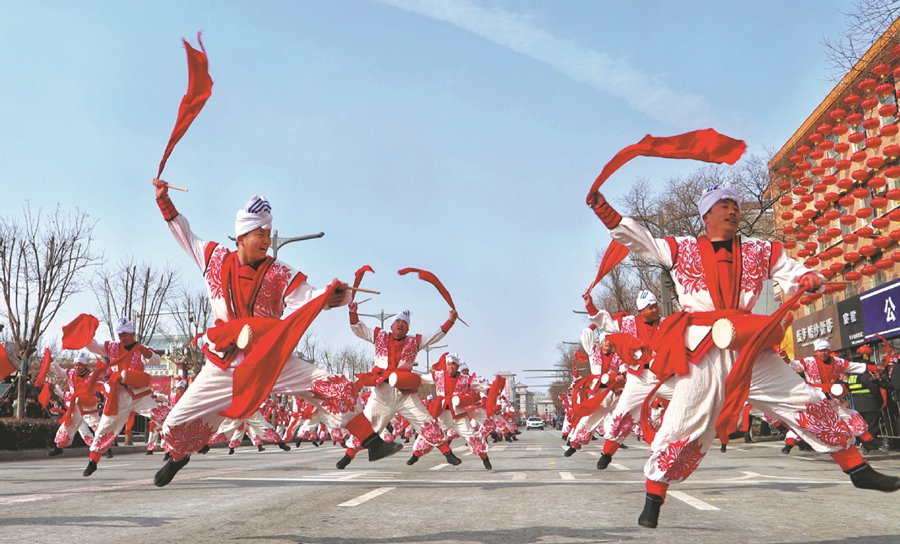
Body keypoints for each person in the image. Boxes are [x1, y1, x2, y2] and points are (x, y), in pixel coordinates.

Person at [588, 182, 900, 529]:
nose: (733, 211)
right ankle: (654, 496)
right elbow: (641, 241)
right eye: (723, 205)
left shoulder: (760, 249)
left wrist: (807, 277)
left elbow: (791, 270)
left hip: (751, 346)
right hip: (705, 350)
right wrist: (607, 212)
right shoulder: (682, 248)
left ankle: (857, 467)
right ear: (706, 215)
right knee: (683, 422)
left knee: (806, 400)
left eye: (735, 205)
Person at [151, 179, 400, 486]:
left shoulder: (280, 274)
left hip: (270, 359)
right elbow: (185, 235)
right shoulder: (214, 259)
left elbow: (311, 298)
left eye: (269, 233)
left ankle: (373, 443)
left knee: (334, 384)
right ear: (242, 235)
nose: (267, 239)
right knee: (174, 424)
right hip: (223, 363)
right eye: (261, 233)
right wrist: (164, 201)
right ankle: (178, 457)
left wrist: (336, 296)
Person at [335, 304, 457, 469]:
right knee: (368, 424)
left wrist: (450, 321)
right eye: (398, 321)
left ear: (408, 328)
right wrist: (353, 312)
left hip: (404, 393)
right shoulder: (379, 336)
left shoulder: (414, 341)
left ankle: (447, 452)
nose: (401, 324)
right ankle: (348, 455)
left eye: (404, 323)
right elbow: (359, 330)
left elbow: (434, 336)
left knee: (425, 420)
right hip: (381, 393)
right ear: (391, 326)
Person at [584, 292, 672, 470]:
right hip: (638, 378)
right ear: (641, 310)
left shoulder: (666, 324)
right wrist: (591, 307)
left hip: (663, 376)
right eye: (651, 307)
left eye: (656, 305)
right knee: (621, 413)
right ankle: (607, 452)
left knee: (691, 395)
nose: (656, 309)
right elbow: (605, 323)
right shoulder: (628, 323)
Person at [81, 318, 164, 477]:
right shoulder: (111, 347)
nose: (122, 337)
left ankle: (188, 444)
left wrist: (146, 352)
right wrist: (86, 334)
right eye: (120, 334)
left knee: (162, 415)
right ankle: (93, 461)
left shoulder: (141, 349)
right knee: (105, 426)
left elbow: (156, 360)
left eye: (125, 334)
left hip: (139, 394)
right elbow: (92, 346)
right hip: (118, 395)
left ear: (133, 333)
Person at [563, 326, 625, 459]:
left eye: (610, 340)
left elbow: (624, 369)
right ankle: (575, 443)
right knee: (587, 418)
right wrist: (596, 323)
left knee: (620, 418)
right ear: (601, 342)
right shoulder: (594, 351)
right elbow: (586, 335)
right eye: (605, 340)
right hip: (597, 393)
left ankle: (609, 449)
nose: (608, 343)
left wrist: (622, 376)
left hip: (613, 393)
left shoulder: (618, 357)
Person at [47, 353, 101, 457]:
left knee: (97, 426)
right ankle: (59, 447)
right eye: (75, 364)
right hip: (75, 407)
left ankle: (106, 449)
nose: (77, 367)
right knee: (68, 426)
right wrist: (51, 361)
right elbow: (60, 371)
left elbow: (100, 387)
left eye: (80, 365)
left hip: (88, 406)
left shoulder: (92, 376)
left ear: (85, 365)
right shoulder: (71, 373)